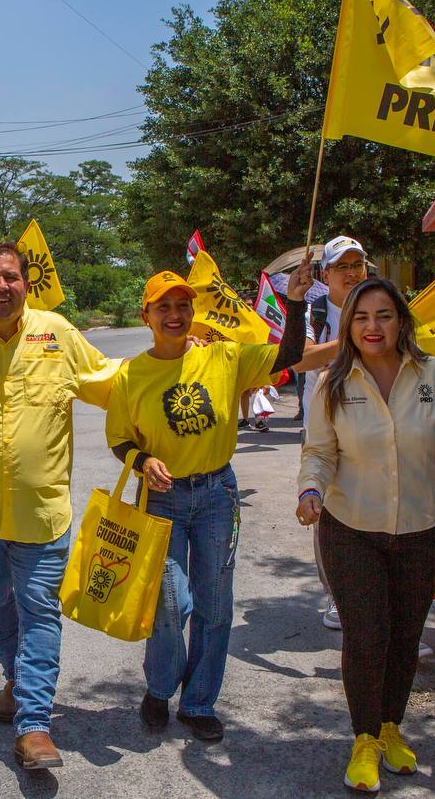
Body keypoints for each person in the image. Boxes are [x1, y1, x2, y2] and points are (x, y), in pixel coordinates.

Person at [296, 277, 435, 793]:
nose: (373, 327)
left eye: (384, 315)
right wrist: (310, 490)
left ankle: (392, 728)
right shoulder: (334, 382)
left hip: (423, 533)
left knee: (404, 640)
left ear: (401, 321)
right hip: (352, 532)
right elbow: (320, 452)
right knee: (367, 637)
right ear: (349, 325)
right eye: (363, 317)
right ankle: (364, 738)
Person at [0, 242, 119, 770]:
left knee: (39, 611)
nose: (1, 287)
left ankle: (35, 726)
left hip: (42, 511)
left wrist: (177, 358)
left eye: (11, 277)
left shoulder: (56, 332)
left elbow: (113, 381)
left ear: (26, 284)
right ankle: (18, 676)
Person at [105, 258, 312, 741]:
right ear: (146, 317)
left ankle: (198, 702)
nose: (174, 315)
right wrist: (142, 461)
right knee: (171, 604)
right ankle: (159, 687)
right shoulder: (130, 375)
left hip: (218, 494)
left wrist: (297, 303)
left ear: (192, 311)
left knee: (216, 606)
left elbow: (288, 356)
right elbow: (120, 439)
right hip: (163, 500)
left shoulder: (223, 357)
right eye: (163, 308)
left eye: (182, 305)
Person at [293, 235, 369, 634]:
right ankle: (337, 595)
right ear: (327, 273)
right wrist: (361, 341)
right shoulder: (314, 309)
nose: (353, 273)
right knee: (324, 511)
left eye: (358, 265)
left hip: (373, 423)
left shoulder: (378, 305)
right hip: (323, 425)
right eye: (343, 266)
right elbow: (302, 358)